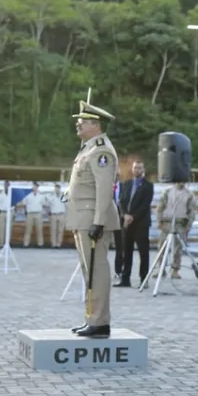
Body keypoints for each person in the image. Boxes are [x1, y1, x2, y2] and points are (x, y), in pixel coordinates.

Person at [66, 94, 120, 338]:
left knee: (96, 271)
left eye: (83, 120)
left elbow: (104, 189)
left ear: (96, 125)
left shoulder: (101, 152)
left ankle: (99, 321)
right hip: (84, 218)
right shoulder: (88, 149)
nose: (78, 123)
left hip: (92, 219)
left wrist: (99, 221)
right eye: (78, 120)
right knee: (89, 272)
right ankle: (92, 318)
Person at [116, 160, 154, 288]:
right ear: (132, 169)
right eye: (135, 168)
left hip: (141, 223)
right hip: (126, 223)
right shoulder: (126, 184)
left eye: (139, 167)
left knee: (143, 252)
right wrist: (124, 215)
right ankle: (125, 278)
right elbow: (121, 201)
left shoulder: (148, 186)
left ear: (143, 169)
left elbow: (145, 205)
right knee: (126, 251)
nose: (137, 170)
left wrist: (133, 216)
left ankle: (144, 279)